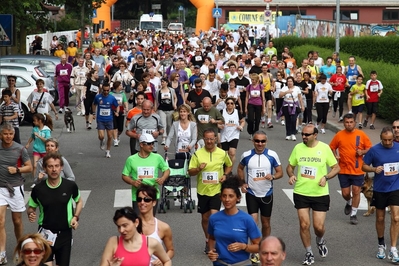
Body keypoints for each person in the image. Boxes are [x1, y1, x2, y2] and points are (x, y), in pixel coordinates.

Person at [286, 124, 340, 265]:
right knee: (304, 225)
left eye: (307, 134)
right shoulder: (298, 148)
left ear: (315, 135)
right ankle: (309, 252)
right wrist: (291, 175)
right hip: (301, 192)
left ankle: (320, 240)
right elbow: (290, 167)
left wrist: (326, 177)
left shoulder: (324, 148)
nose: (304, 136)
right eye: (302, 134)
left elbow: (336, 167)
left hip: (320, 193)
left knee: (318, 227)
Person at [27, 153, 83, 266]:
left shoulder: (70, 186)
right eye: (50, 166)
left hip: (64, 234)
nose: (54, 169)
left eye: (57, 166)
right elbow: (31, 207)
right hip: (45, 234)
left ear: (61, 167)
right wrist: (31, 213)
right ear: (45, 168)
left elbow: (79, 201)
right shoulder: (38, 189)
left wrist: (75, 217)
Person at [188, 129, 233, 254]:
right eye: (207, 139)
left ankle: (215, 241)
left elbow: (229, 165)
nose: (209, 141)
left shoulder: (222, 153)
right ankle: (208, 240)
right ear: (204, 140)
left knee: (214, 216)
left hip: (216, 190)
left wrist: (225, 175)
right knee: (205, 218)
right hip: (203, 190)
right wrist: (198, 169)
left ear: (215, 139)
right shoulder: (198, 154)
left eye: (211, 139)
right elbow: (190, 172)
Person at [362, 127, 399, 262]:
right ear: (380, 138)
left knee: (396, 218)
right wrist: (373, 168)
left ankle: (393, 249)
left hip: (396, 187)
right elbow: (363, 166)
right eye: (385, 140)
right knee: (380, 218)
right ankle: (381, 244)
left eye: (390, 140)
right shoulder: (374, 150)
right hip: (380, 189)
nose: (388, 142)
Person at [237, 130, 283, 236]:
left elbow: (280, 172)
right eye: (257, 141)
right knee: (253, 223)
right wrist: (243, 183)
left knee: (266, 223)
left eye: (263, 141)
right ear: (253, 141)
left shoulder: (272, 155)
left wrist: (273, 176)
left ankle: (264, 246)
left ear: (266, 142)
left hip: (267, 194)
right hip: (252, 193)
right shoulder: (246, 155)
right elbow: (240, 168)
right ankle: (255, 247)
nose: (260, 144)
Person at [207, 177, 261, 266]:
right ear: (220, 197)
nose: (227, 199)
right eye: (224, 196)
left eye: (231, 196)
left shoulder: (247, 219)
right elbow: (212, 238)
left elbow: (259, 246)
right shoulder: (214, 218)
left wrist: (244, 247)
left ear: (238, 198)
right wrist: (211, 251)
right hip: (220, 263)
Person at [329, 113, 372, 224]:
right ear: (344, 123)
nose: (349, 124)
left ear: (355, 123)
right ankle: (348, 202)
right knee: (345, 193)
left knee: (356, 191)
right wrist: (335, 155)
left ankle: (353, 214)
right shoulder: (339, 135)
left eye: (351, 122)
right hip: (343, 169)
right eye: (346, 122)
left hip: (357, 170)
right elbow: (331, 147)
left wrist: (362, 152)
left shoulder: (361, 135)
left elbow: (370, 148)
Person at [0, 123, 32, 265]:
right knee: (0, 221)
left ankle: (20, 249)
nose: (8, 136)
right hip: (0, 188)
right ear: (1, 135)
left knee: (17, 221)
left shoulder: (20, 149)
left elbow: (30, 167)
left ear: (14, 134)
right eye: (5, 134)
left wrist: (17, 170)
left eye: (10, 134)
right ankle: (2, 253)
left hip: (15, 188)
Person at [100, 207, 172, 266]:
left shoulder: (151, 243)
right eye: (119, 226)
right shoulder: (113, 242)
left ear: (136, 222)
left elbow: (167, 261)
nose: (121, 230)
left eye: (125, 225)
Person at [121, 134, 170, 216]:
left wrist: (163, 178)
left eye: (153, 143)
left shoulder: (157, 157)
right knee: (139, 221)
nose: (152, 146)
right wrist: (132, 182)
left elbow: (166, 170)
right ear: (141, 144)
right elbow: (124, 175)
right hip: (138, 194)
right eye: (149, 144)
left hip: (152, 193)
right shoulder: (131, 159)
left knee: (150, 221)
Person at [137, 185, 174, 265]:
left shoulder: (163, 227)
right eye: (139, 199)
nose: (142, 202)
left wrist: (162, 260)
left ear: (154, 202)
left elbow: (170, 250)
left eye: (146, 200)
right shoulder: (131, 225)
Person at [92, 83, 120, 158]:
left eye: (107, 90)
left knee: (110, 136)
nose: (106, 92)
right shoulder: (98, 97)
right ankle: (102, 140)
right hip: (100, 119)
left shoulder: (112, 98)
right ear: (102, 90)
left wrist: (117, 112)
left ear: (109, 90)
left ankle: (108, 151)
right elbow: (94, 104)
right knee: (101, 136)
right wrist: (94, 113)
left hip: (109, 119)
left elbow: (117, 106)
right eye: (104, 90)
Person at [25, 113, 53, 179]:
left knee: (46, 165)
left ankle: (47, 178)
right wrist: (28, 143)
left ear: (40, 121)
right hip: (36, 149)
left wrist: (39, 136)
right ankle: (35, 180)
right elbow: (32, 137)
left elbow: (47, 140)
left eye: (35, 121)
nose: (33, 122)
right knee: (35, 165)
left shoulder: (47, 130)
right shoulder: (35, 129)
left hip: (44, 150)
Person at [219, 97, 245, 166]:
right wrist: (219, 126)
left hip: (234, 135)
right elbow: (217, 122)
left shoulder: (237, 112)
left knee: (232, 153)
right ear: (226, 104)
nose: (229, 105)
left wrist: (241, 126)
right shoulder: (222, 112)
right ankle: (225, 168)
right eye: (228, 103)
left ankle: (230, 169)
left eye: (231, 103)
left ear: (234, 104)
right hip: (224, 135)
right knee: (225, 154)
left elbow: (242, 121)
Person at [278, 76, 305, 141]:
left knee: (294, 119)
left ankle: (293, 133)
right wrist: (286, 92)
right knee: (288, 120)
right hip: (286, 105)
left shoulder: (297, 88)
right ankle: (288, 134)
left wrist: (302, 106)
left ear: (293, 82)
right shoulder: (284, 88)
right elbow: (280, 96)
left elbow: (300, 97)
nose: (289, 83)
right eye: (288, 81)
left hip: (294, 106)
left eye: (291, 81)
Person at [155, 77, 177, 145]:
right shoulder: (158, 91)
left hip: (170, 109)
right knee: (163, 123)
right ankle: (164, 138)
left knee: (169, 124)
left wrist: (175, 104)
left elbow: (175, 97)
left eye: (164, 82)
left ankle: (168, 137)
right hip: (161, 109)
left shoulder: (171, 90)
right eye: (161, 82)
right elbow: (156, 100)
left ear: (167, 83)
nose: (162, 83)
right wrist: (155, 108)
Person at [245, 73, 265, 140]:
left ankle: (255, 133)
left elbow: (263, 97)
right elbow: (247, 97)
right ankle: (250, 131)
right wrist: (245, 107)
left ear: (257, 80)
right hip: (251, 104)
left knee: (257, 119)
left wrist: (263, 107)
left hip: (258, 104)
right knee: (250, 119)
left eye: (253, 80)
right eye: (251, 80)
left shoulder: (260, 86)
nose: (252, 81)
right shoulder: (249, 86)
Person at [110, 81, 128, 147]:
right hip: (113, 111)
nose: (121, 87)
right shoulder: (111, 93)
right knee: (114, 126)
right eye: (120, 85)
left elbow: (125, 102)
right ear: (117, 86)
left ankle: (118, 135)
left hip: (120, 111)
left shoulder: (122, 94)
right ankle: (115, 140)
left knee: (120, 128)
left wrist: (126, 108)